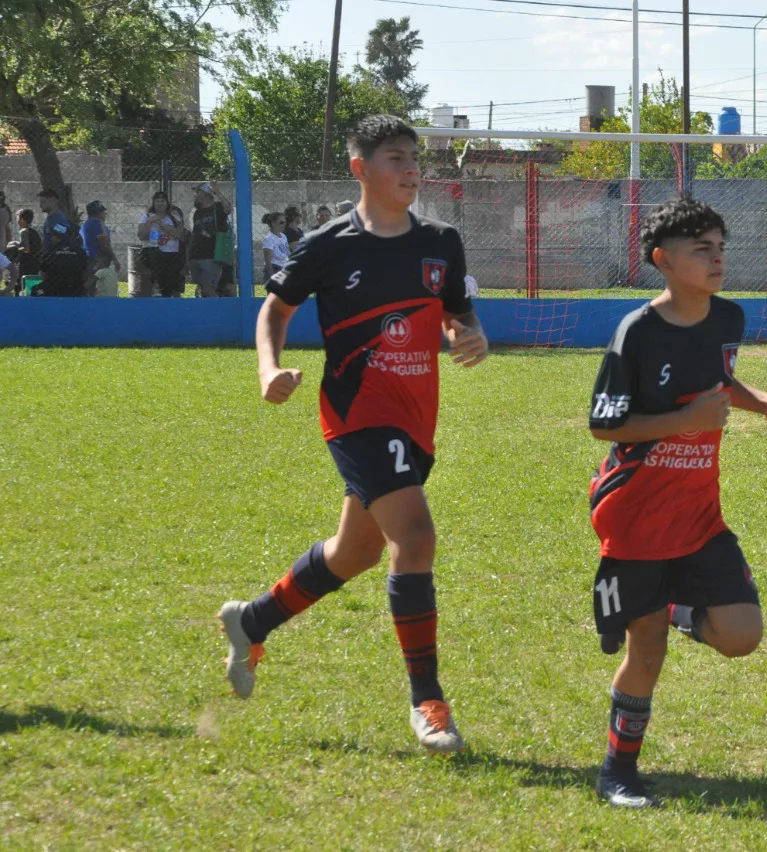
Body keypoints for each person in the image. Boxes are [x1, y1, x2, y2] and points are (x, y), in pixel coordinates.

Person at [218, 114, 489, 754]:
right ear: (360, 169)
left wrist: (466, 334)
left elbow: (455, 311)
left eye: (414, 158)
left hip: (417, 416)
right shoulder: (329, 244)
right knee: (415, 538)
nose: (411, 169)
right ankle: (428, 701)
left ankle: (252, 620)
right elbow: (275, 309)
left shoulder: (442, 241)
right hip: (357, 414)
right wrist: (267, 367)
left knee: (355, 552)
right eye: (395, 158)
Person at [586, 196, 767, 809]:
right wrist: (684, 421)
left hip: (700, 513)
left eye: (720, 248)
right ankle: (617, 773)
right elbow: (605, 427)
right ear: (664, 260)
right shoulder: (637, 332)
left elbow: (720, 384)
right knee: (645, 651)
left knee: (741, 634)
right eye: (701, 249)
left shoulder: (728, 319)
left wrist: (763, 404)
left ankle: (678, 607)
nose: (716, 259)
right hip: (636, 514)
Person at [37, 188, 87, 296]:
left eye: (43, 202)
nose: (40, 205)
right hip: (50, 260)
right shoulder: (51, 219)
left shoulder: (57, 219)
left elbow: (63, 237)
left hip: (55, 262)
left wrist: (55, 241)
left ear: (53, 201)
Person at [136, 191, 185, 297]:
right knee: (156, 258)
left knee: (171, 279)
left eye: (163, 201)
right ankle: (156, 287)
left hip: (171, 252)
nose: (160, 203)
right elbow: (141, 236)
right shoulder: (146, 217)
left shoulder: (175, 217)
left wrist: (161, 224)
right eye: (157, 201)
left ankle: (168, 293)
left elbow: (179, 235)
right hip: (152, 250)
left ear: (167, 203)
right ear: (153, 203)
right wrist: (149, 222)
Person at [189, 182, 233, 297]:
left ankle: (218, 312)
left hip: (211, 254)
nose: (195, 195)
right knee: (202, 288)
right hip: (196, 254)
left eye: (198, 192)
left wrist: (217, 192)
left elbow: (228, 209)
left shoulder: (217, 207)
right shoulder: (197, 213)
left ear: (205, 194)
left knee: (209, 289)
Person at [81, 201, 122, 297]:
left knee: (91, 292)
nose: (105, 214)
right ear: (99, 213)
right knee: (100, 290)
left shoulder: (85, 224)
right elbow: (104, 243)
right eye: (103, 212)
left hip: (87, 261)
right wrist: (114, 259)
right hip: (97, 261)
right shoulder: (98, 223)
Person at [260, 212, 290, 282]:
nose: (284, 225)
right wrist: (272, 276)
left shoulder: (283, 236)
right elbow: (268, 261)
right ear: (273, 223)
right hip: (275, 268)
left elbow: (287, 253)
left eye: (285, 222)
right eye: (281, 222)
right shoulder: (269, 238)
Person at [15, 208, 42, 282]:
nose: (16, 221)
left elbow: (26, 249)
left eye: (17, 218)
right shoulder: (34, 232)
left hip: (27, 264)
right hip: (36, 263)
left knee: (22, 284)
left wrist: (15, 249)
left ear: (22, 219)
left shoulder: (24, 231)